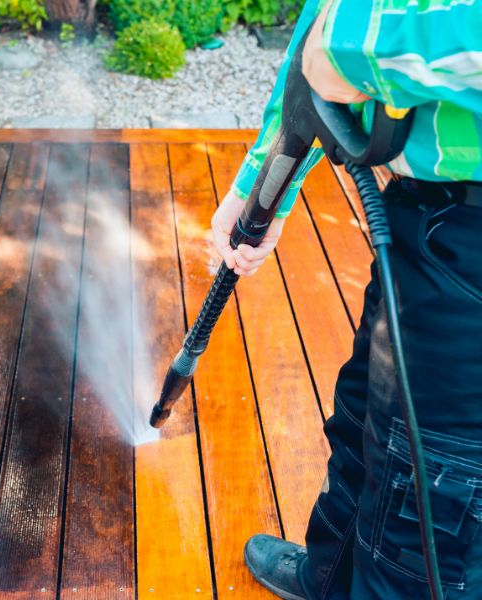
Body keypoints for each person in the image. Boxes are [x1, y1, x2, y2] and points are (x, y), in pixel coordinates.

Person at [210, 0, 482, 597]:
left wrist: (354, 45)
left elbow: (335, 40)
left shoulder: (361, 43)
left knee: (430, 496)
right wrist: (262, 187)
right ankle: (330, 576)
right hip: (426, 219)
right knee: (366, 423)